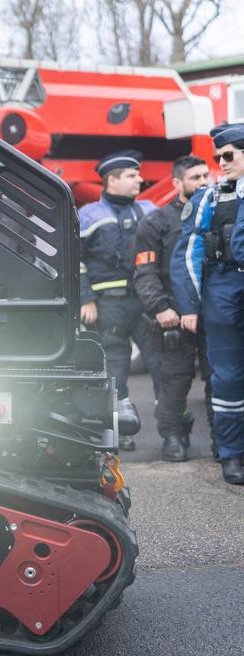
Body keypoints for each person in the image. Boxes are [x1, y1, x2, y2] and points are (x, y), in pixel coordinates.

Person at [171, 124, 244, 485]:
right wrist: (190, 305)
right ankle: (232, 455)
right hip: (224, 290)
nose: (221, 163)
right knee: (228, 377)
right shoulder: (210, 199)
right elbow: (187, 254)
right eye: (218, 156)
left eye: (228, 155)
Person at [78, 150, 162, 451]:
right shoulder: (89, 215)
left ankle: (173, 436)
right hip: (108, 306)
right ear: (112, 180)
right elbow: (76, 261)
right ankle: (119, 432)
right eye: (132, 175)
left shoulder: (151, 210)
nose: (140, 179)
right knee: (115, 372)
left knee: (164, 367)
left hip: (147, 302)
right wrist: (86, 299)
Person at [134, 156, 213, 462]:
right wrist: (160, 308)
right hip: (173, 317)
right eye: (195, 177)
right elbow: (145, 272)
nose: (204, 181)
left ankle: (223, 442)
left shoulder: (218, 214)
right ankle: (174, 437)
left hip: (214, 315)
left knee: (219, 380)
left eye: (206, 175)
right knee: (175, 383)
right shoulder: (156, 222)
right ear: (178, 184)